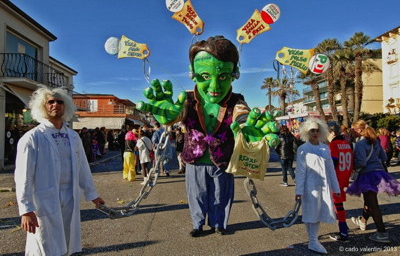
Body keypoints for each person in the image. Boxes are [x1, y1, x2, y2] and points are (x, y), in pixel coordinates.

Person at [138, 36, 280, 237]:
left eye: (222, 76)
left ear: (234, 75)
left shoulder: (236, 100)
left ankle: (219, 224)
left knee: (222, 196)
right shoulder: (186, 100)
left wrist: (248, 126)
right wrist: (166, 114)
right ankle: (198, 224)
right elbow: (176, 114)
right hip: (195, 160)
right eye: (205, 76)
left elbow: (242, 114)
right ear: (193, 75)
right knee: (197, 195)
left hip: (222, 160)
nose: (214, 86)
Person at [14, 85, 105, 256]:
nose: (55, 105)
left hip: (70, 197)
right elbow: (23, 176)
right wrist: (26, 209)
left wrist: (92, 194)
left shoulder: (73, 136)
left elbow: (83, 168)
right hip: (44, 199)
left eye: (60, 102)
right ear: (43, 106)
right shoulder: (32, 138)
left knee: (66, 243)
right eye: (51, 102)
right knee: (44, 245)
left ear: (66, 106)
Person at [347, 120, 400, 243]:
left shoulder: (360, 144)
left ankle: (382, 233)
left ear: (359, 130)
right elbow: (384, 157)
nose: (351, 131)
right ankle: (363, 221)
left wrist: (353, 166)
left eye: (353, 129)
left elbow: (361, 162)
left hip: (367, 174)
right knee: (369, 201)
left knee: (373, 204)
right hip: (378, 173)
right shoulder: (375, 141)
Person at [295, 118, 340, 254]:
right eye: (312, 130)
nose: (314, 133)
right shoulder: (303, 149)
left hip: (324, 186)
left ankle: (312, 240)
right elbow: (300, 172)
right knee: (311, 214)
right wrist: (299, 191)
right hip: (310, 188)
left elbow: (331, 170)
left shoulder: (325, 148)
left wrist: (336, 188)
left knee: (317, 213)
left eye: (317, 130)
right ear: (307, 132)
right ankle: (313, 241)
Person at [327, 121, 354, 242]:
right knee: (339, 204)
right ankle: (344, 228)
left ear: (332, 132)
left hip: (336, 179)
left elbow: (333, 163)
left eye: (326, 133)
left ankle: (343, 232)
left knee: (338, 205)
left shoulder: (334, 144)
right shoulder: (346, 143)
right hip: (344, 177)